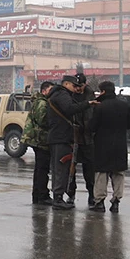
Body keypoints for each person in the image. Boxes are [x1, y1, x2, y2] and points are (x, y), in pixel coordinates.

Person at [46, 75, 95, 209]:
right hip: (61, 137)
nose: (75, 88)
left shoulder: (58, 94)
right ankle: (58, 198)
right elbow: (69, 109)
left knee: (60, 168)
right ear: (66, 84)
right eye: (73, 85)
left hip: (60, 136)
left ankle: (59, 197)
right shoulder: (62, 94)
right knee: (61, 168)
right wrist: (87, 104)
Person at [88, 81, 130, 213]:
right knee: (118, 173)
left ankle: (99, 202)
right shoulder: (124, 105)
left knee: (101, 174)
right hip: (120, 145)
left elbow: (92, 127)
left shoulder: (100, 107)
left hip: (102, 145)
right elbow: (129, 125)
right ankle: (116, 201)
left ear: (102, 92)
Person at [66, 74, 98, 206]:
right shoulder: (69, 97)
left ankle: (92, 195)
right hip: (73, 138)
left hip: (88, 138)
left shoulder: (91, 96)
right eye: (76, 86)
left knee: (89, 170)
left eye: (80, 86)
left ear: (85, 84)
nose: (78, 88)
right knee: (71, 169)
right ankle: (70, 194)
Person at [23, 80, 56, 205]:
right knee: (42, 169)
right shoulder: (42, 103)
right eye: (50, 90)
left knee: (39, 169)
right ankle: (42, 195)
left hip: (38, 139)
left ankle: (37, 194)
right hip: (40, 140)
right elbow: (43, 121)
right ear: (44, 91)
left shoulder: (39, 101)